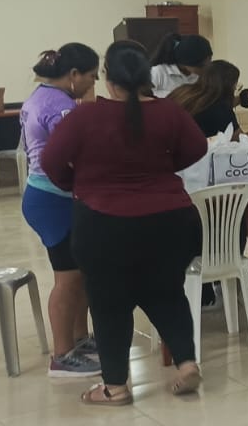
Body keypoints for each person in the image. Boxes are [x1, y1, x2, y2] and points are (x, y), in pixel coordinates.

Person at [42, 41, 207, 405]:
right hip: (171, 220)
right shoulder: (169, 112)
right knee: (168, 294)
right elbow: (197, 147)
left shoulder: (84, 117)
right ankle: (186, 363)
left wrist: (78, 184)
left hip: (104, 223)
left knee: (109, 304)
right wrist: (161, 171)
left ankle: (115, 386)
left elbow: (51, 161)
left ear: (107, 78)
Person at [20, 44, 102, 378]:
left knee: (79, 272)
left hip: (44, 195)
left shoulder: (38, 97)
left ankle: (79, 338)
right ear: (73, 75)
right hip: (53, 199)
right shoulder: (62, 106)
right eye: (91, 76)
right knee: (67, 279)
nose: (93, 83)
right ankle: (62, 355)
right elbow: (74, 154)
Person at [169, 59, 248, 142]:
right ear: (227, 85)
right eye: (235, 85)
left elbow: (210, 109)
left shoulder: (184, 92)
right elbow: (242, 142)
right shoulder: (219, 109)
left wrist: (247, 96)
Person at [148, 33, 212, 98]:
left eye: (210, 60)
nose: (208, 67)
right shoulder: (158, 72)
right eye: (202, 65)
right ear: (187, 62)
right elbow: (147, 97)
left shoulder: (201, 76)